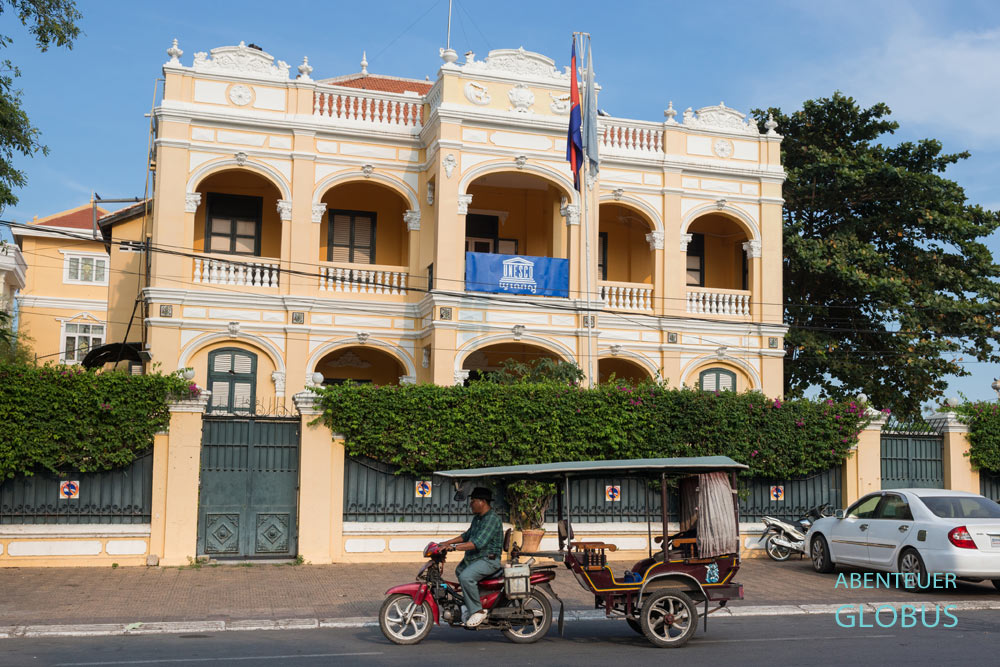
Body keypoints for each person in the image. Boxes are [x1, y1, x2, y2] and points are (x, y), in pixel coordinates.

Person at [438, 486, 503, 627]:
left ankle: (478, 611)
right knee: (459, 570)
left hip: (489, 560)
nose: (470, 504)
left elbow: (477, 543)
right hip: (478, 558)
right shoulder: (478, 519)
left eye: (473, 501)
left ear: (482, 502)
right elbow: (466, 536)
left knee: (466, 577)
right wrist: (446, 542)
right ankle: (470, 603)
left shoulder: (491, 519)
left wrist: (453, 548)